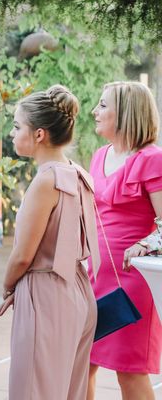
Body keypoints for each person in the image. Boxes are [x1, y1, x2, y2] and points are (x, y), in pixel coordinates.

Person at [0, 85, 100, 399]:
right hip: (79, 292)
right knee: (69, 391)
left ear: (39, 134)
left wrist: (9, 285)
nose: (12, 133)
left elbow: (23, 255)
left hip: (45, 294)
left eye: (16, 126)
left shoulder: (45, 180)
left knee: (33, 392)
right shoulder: (79, 174)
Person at [86, 81, 162, 400]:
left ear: (126, 113)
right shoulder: (99, 155)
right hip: (93, 276)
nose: (95, 111)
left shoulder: (152, 159)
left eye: (103, 105)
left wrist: (147, 242)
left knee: (129, 373)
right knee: (80, 364)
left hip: (132, 282)